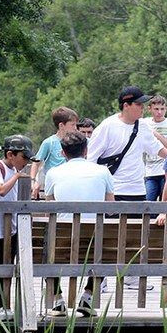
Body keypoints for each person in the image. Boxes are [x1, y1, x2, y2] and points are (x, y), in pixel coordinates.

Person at [43, 130, 115, 317]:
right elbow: (111, 207)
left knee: (45, 251)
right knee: (107, 250)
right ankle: (87, 297)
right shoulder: (103, 171)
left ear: (63, 153)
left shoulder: (53, 173)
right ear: (86, 150)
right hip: (95, 242)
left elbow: (50, 204)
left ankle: (58, 300)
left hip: (62, 243)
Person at [0, 135, 36, 321]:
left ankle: (4, 305)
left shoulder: (14, 170)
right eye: (24, 158)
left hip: (12, 229)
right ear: (10, 154)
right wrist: (17, 176)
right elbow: (0, 189)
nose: (26, 162)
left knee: (8, 268)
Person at [87, 86, 167, 201]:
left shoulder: (143, 126)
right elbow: (91, 160)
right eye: (138, 104)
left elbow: (157, 148)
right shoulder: (107, 127)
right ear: (126, 106)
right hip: (114, 191)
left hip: (139, 191)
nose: (143, 108)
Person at [141, 95, 167, 201]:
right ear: (149, 109)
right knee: (148, 202)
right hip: (149, 171)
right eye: (156, 109)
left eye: (162, 109)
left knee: (165, 203)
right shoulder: (144, 123)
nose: (159, 112)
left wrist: (157, 136)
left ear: (166, 109)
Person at [31, 106, 79, 199]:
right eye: (72, 125)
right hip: (53, 184)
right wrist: (33, 181)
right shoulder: (49, 142)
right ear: (61, 125)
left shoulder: (75, 142)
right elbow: (36, 163)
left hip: (70, 183)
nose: (76, 128)